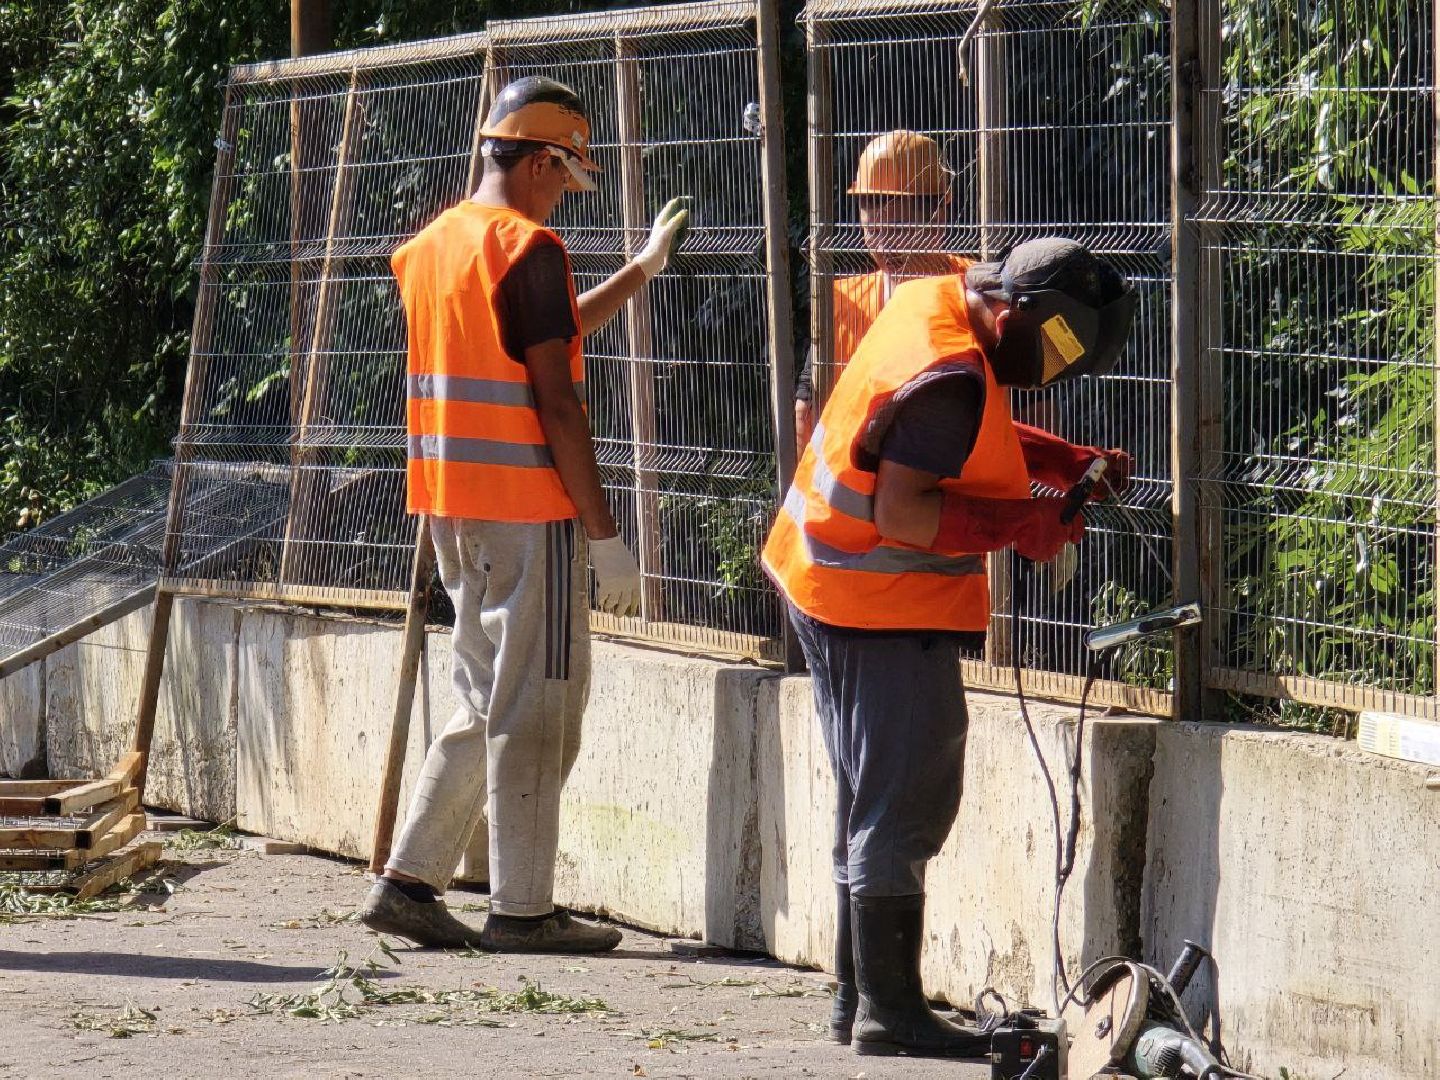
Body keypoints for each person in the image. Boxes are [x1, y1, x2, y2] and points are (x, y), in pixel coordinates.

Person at [762, 238, 1139, 1056]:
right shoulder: (954, 372)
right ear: (1010, 313)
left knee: (871, 800)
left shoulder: (939, 306)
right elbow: (904, 510)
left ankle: (858, 995)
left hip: (826, 583)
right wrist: (1025, 524)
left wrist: (1063, 461)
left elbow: (968, 432)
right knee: (906, 801)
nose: (1054, 370)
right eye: (1053, 351)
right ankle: (889, 1016)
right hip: (879, 601)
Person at [360, 76, 690, 954]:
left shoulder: (434, 245)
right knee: (540, 704)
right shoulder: (528, 246)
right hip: (527, 510)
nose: (563, 199)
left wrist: (638, 272)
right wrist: (605, 535)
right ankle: (524, 910)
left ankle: (408, 880)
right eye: (564, 179)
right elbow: (556, 398)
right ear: (543, 159)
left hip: (451, 508)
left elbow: (535, 337)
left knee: (480, 694)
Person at [794, 130, 966, 459]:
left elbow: (1031, 408)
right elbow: (806, 410)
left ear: (939, 213)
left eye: (898, 228)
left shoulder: (976, 291)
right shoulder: (840, 302)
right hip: (860, 498)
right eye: (873, 230)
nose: (885, 245)